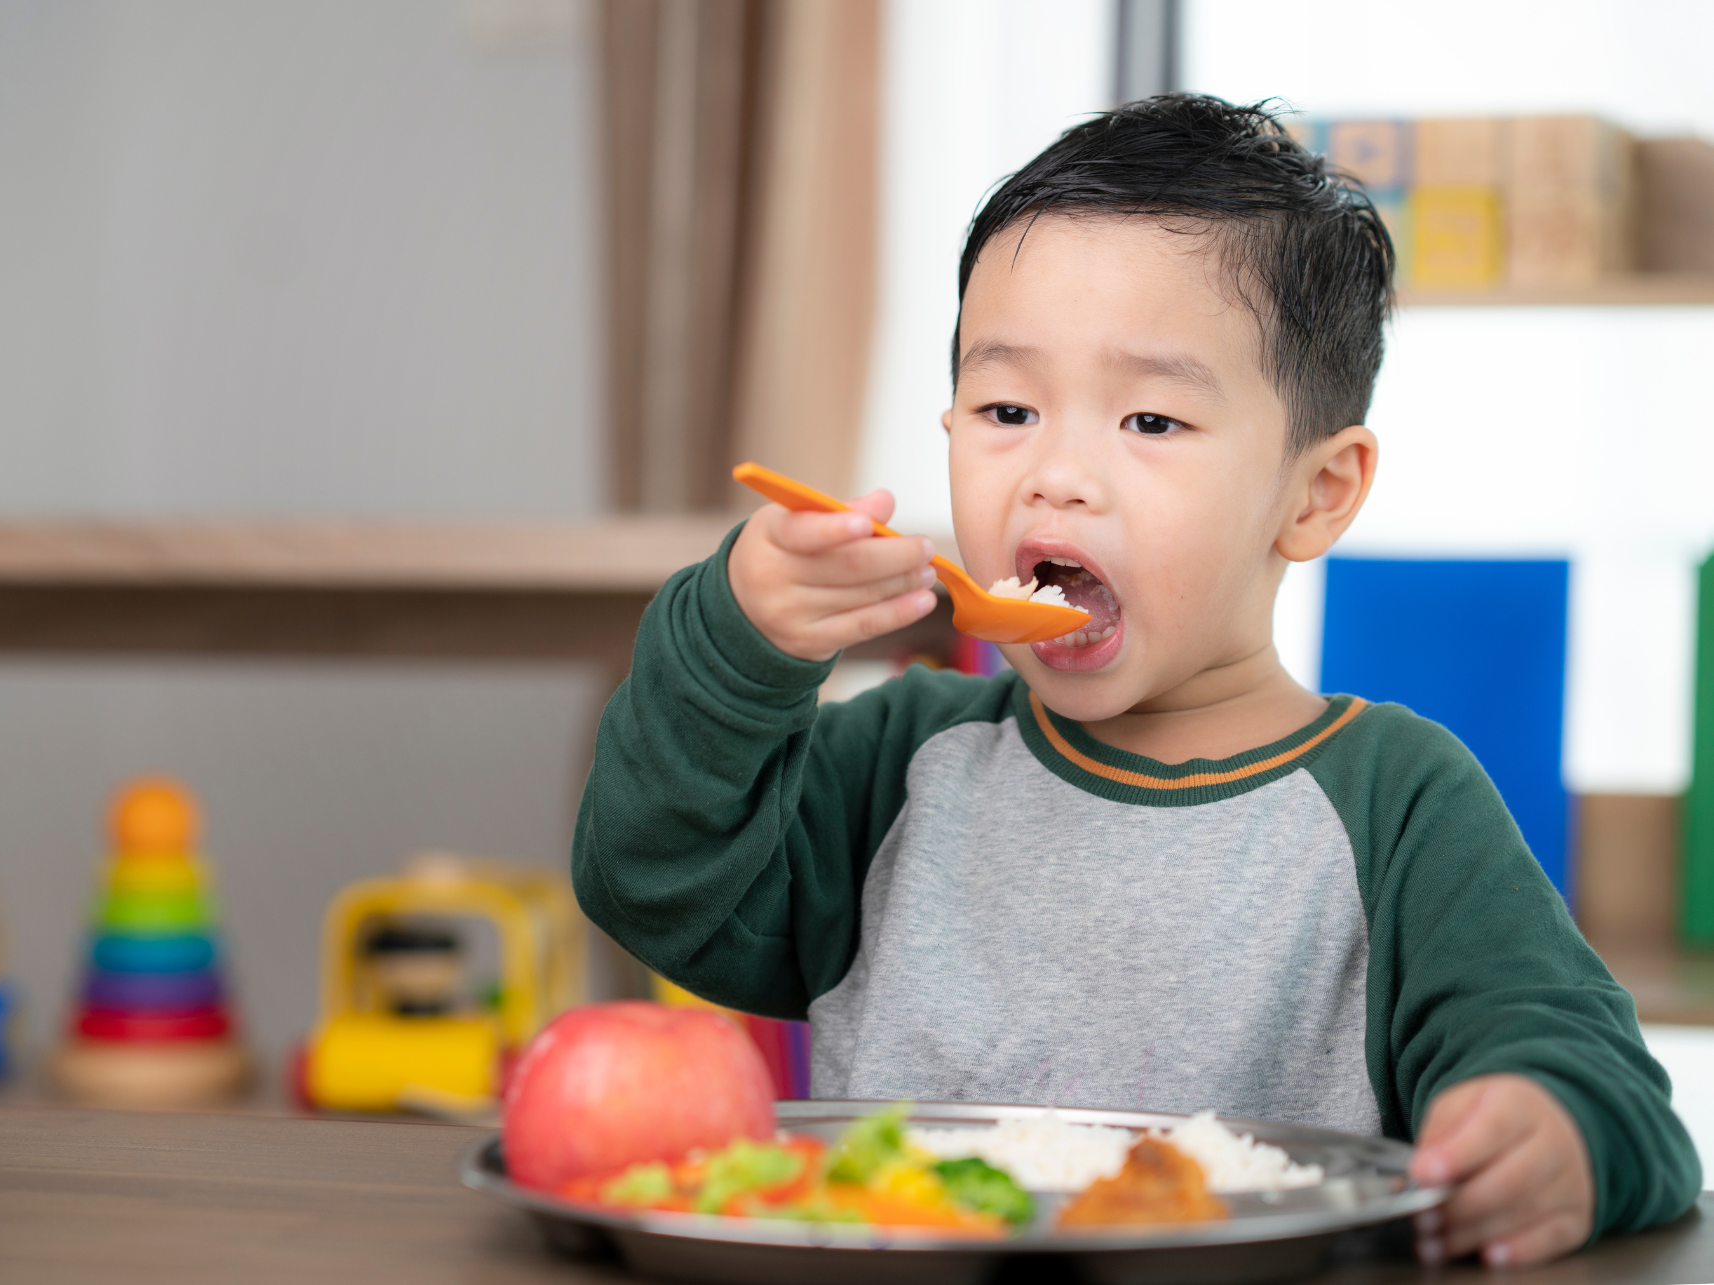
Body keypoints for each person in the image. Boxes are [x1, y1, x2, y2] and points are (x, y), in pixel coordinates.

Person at [571, 95, 1700, 1267]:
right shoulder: (901, 762)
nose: (1057, 474)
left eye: (1151, 419)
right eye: (1007, 408)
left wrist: (1551, 1131)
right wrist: (736, 647)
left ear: (1315, 493)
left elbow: (1601, 1084)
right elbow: (651, 884)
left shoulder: (1400, 807)